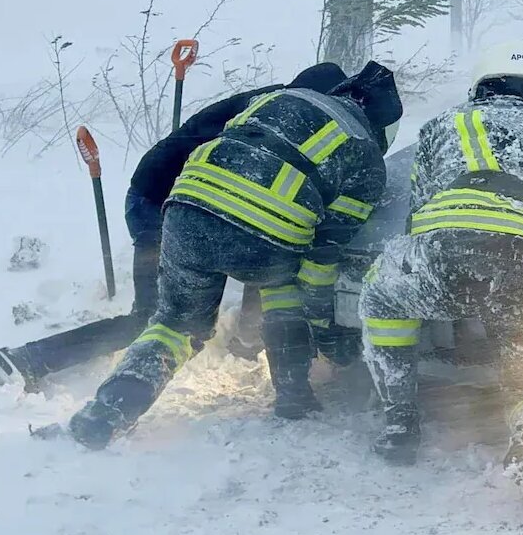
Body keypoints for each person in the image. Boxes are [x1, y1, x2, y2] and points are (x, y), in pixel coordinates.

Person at [39, 61, 402, 450]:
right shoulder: (365, 157)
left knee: (175, 326)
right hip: (263, 239)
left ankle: (107, 412)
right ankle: (293, 397)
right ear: (382, 127)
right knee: (285, 287)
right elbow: (321, 259)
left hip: (184, 214)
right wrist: (325, 330)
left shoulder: (276, 99)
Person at [359, 41, 523, 515]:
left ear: (479, 86)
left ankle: (400, 420)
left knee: (383, 298)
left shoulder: (445, 125)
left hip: (454, 250)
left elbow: (420, 213)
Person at [0, 63, 349, 389]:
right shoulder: (278, 116)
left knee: (266, 246)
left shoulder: (277, 107)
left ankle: (244, 342)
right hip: (161, 205)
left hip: (195, 204)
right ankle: (25, 359)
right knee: (151, 318)